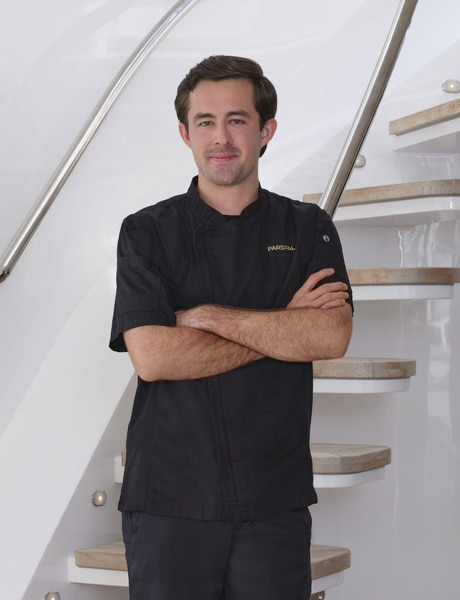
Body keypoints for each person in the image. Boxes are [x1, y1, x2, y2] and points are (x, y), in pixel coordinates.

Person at [109, 55, 353, 600]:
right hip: (170, 497)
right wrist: (282, 326)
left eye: (237, 120)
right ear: (184, 133)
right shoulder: (146, 232)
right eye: (205, 122)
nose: (221, 137)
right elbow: (154, 358)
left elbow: (328, 337)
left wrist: (206, 317)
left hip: (275, 499)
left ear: (266, 130)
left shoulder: (308, 226)